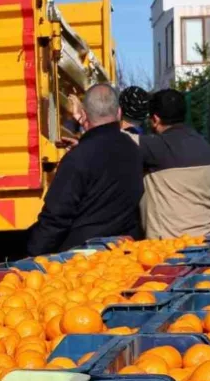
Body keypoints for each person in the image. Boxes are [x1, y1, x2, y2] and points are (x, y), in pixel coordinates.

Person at [25, 84, 144, 256]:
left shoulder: (77, 158)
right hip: (124, 254)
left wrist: (33, 252)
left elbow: (57, 218)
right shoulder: (134, 150)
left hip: (82, 261)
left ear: (84, 115)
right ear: (118, 113)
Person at [138, 88, 210, 240]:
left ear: (155, 119)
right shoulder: (204, 145)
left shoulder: (155, 147)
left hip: (171, 246)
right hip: (208, 238)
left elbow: (116, 139)